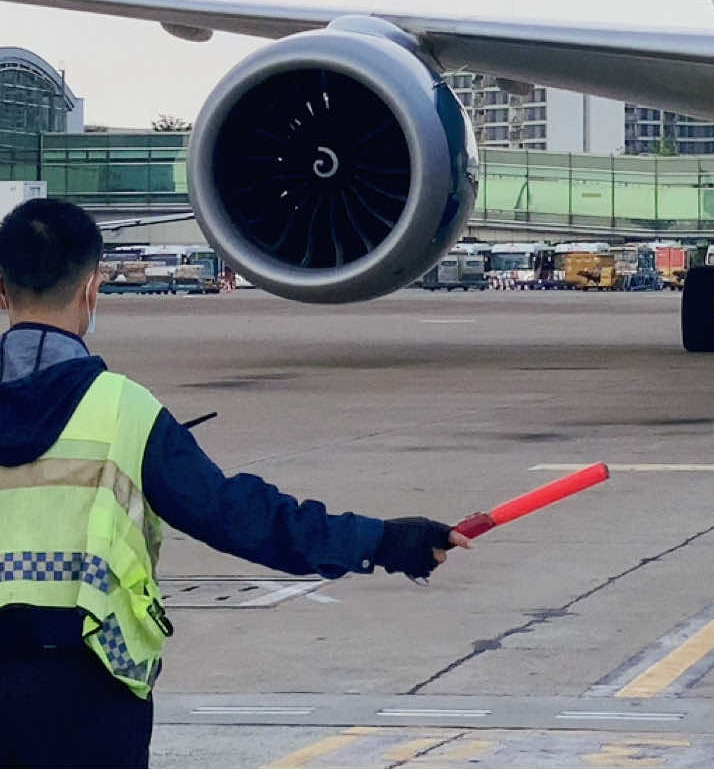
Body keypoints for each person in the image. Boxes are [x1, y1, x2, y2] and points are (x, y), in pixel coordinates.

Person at [0, 199, 469, 770]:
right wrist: (384, 541)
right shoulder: (126, 413)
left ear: (3, 291)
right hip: (90, 695)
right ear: (91, 290)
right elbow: (242, 518)